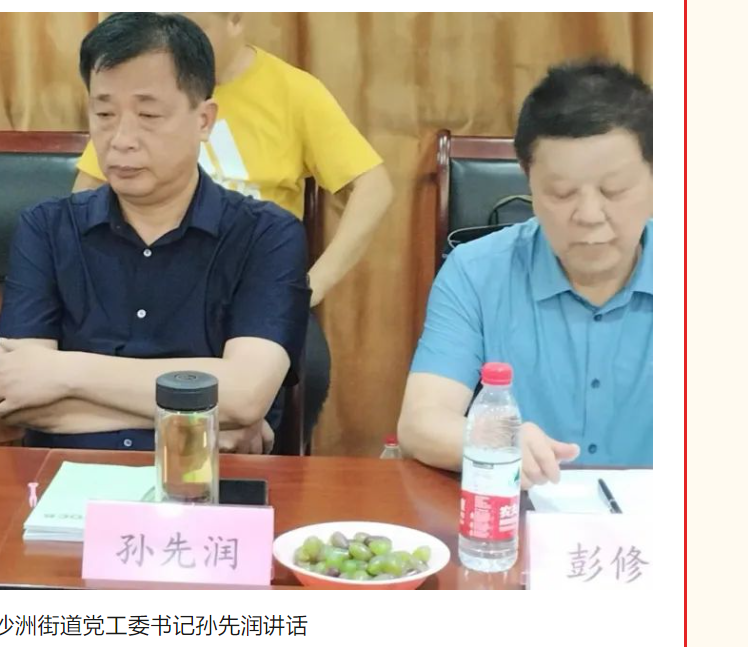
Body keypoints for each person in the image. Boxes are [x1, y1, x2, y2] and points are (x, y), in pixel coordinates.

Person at [0, 12, 310, 453]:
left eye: (148, 114)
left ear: (204, 120)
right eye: (104, 113)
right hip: (67, 475)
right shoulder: (46, 228)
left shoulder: (267, 235)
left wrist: (64, 372)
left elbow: (244, 395)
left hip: (206, 480)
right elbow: (14, 395)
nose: (121, 139)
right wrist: (203, 418)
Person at [72, 12, 393, 436]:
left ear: (236, 18)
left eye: (193, 26)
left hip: (249, 292)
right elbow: (84, 201)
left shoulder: (293, 91)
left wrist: (310, 286)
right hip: (143, 286)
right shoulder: (136, 101)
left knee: (304, 369)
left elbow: (373, 187)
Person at [397, 60, 653, 485]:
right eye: (561, 193)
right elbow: (421, 423)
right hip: (516, 516)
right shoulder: (477, 273)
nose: (589, 215)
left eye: (615, 190)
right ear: (527, 179)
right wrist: (494, 441)